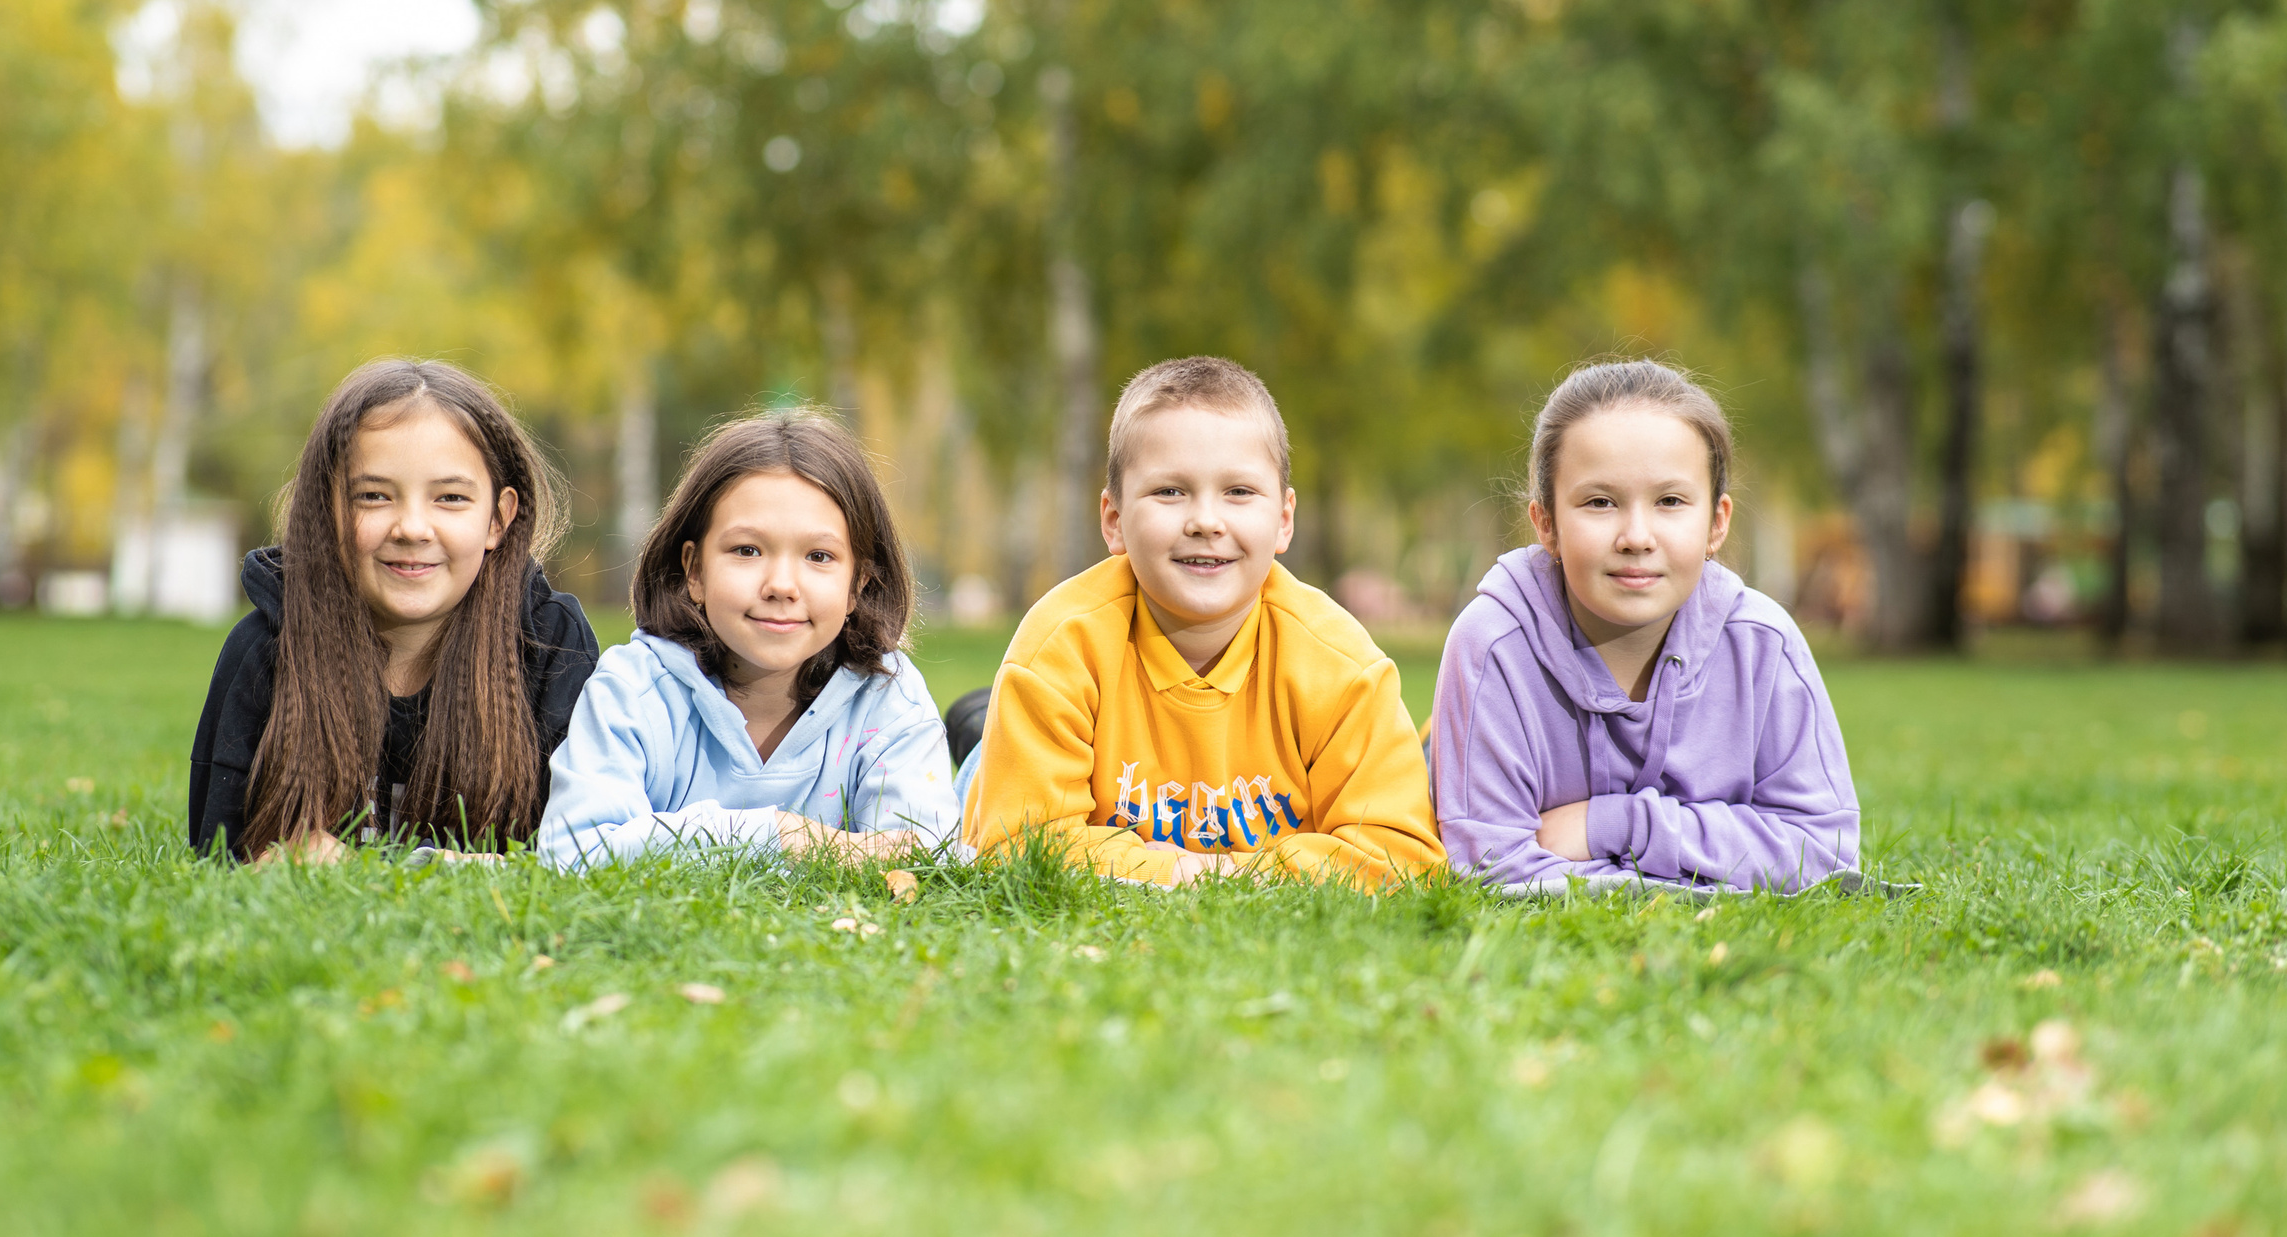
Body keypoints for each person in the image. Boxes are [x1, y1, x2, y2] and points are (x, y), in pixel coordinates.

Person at [959, 357, 1441, 889]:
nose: (1206, 521)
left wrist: (1228, 874)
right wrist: (1178, 871)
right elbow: (1018, 844)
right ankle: (979, 734)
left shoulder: (1341, 666)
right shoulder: (1059, 648)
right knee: (977, 776)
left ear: (1284, 520)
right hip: (1015, 753)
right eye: (1170, 491)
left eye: (1238, 492)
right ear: (1114, 521)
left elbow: (1402, 854)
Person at [1431, 359, 1859, 891]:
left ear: (1717, 521)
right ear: (1546, 524)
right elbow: (1488, 867)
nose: (1637, 535)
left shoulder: (1763, 645)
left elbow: (1826, 853)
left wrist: (1612, 826)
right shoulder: (1493, 645)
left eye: (1670, 501)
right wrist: (1714, 876)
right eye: (1600, 502)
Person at [189, 359, 598, 861]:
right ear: (329, 510)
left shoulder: (551, 643)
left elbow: (577, 855)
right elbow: (216, 856)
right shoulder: (265, 648)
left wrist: (368, 868)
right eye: (374, 496)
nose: (411, 527)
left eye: (449, 497)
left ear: (498, 519)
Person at [536, 409, 956, 870]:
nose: (781, 585)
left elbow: (924, 859)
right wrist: (777, 836)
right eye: (747, 550)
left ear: (857, 584)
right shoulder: (633, 689)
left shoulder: (890, 699)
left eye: (819, 556)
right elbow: (574, 852)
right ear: (694, 571)